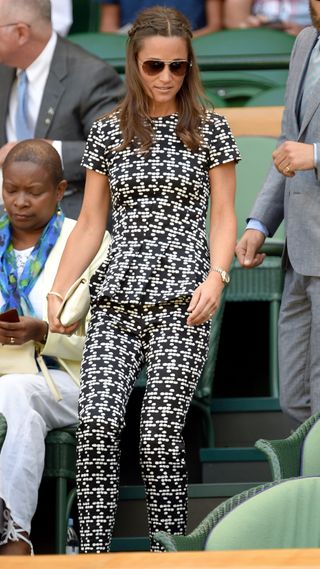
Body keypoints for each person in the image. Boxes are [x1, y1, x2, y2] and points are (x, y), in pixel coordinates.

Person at [48, 5, 239, 553]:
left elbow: (224, 216)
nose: (166, 78)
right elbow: (89, 223)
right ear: (135, 64)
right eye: (155, 66)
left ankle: (168, 552)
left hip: (184, 297)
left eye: (177, 67)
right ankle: (92, 554)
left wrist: (217, 276)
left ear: (190, 67)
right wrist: (60, 290)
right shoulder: (108, 132)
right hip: (115, 296)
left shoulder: (211, 129)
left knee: (159, 436)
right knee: (98, 433)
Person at [0, 139, 110, 555]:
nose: (20, 201)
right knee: (14, 397)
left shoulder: (88, 243)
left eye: (34, 191)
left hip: (71, 382)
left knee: (15, 392)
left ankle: (14, 537)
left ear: (61, 190)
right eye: (11, 189)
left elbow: (107, 346)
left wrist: (43, 332)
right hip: (7, 375)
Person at [236, 0, 320, 424]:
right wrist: (260, 222)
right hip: (300, 249)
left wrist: (317, 155)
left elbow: (305, 150)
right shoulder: (305, 41)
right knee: (297, 397)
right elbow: (289, 141)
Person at [0, 0, 125, 219]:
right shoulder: (5, 67)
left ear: (20, 33)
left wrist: (43, 152)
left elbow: (116, 151)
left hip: (64, 212)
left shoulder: (92, 76)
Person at [94, 0, 223, 36]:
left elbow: (215, 26)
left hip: (190, 46)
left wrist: (180, 40)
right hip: (135, 48)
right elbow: (107, 29)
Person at [223, 0, 311, 35]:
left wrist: (306, 34)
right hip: (261, 46)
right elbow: (235, 25)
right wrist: (248, 28)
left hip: (310, 49)